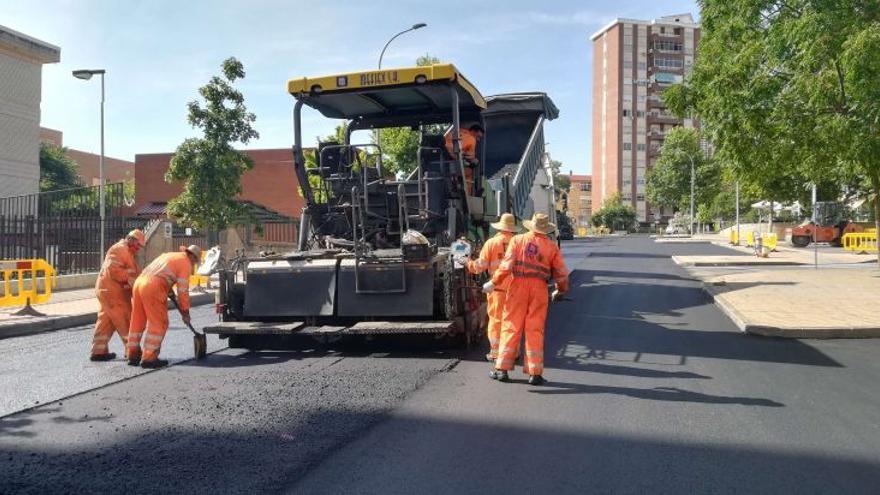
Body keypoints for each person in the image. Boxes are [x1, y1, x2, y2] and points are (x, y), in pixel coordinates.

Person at [483, 213, 569, 385]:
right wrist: (560, 291)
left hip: (517, 287)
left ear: (531, 226)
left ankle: (502, 370)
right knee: (534, 330)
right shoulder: (552, 247)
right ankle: (535, 373)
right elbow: (561, 274)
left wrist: (493, 282)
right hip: (539, 289)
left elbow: (506, 266)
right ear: (546, 229)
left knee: (511, 326)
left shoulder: (518, 240)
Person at [127, 245, 201, 369]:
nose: (193, 264)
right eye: (195, 261)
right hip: (153, 287)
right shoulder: (185, 263)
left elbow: (162, 274)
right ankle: (149, 358)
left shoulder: (169, 255)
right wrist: (186, 312)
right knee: (159, 322)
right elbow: (183, 291)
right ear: (192, 256)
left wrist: (170, 291)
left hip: (139, 283)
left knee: (137, 320)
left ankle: (133, 354)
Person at [463, 213, 519, 361]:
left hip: (497, 289)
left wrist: (468, 263)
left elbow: (479, 267)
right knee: (513, 322)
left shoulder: (491, 243)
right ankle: (513, 352)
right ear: (512, 228)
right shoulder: (519, 242)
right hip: (516, 290)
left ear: (500, 227)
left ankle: (496, 353)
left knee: (496, 321)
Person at [89, 229, 145, 361]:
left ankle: (98, 351)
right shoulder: (119, 249)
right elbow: (113, 270)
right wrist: (129, 279)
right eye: (138, 245)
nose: (138, 248)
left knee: (106, 321)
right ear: (131, 239)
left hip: (110, 291)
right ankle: (133, 352)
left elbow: (137, 273)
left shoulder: (130, 254)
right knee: (126, 319)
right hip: (112, 292)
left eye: (140, 246)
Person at [444, 123, 484, 195]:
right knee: (470, 172)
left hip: (444, 162)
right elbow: (471, 158)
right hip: (457, 165)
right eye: (478, 137)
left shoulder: (455, 132)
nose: (478, 140)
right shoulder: (471, 139)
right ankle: (467, 194)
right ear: (473, 131)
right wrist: (475, 161)